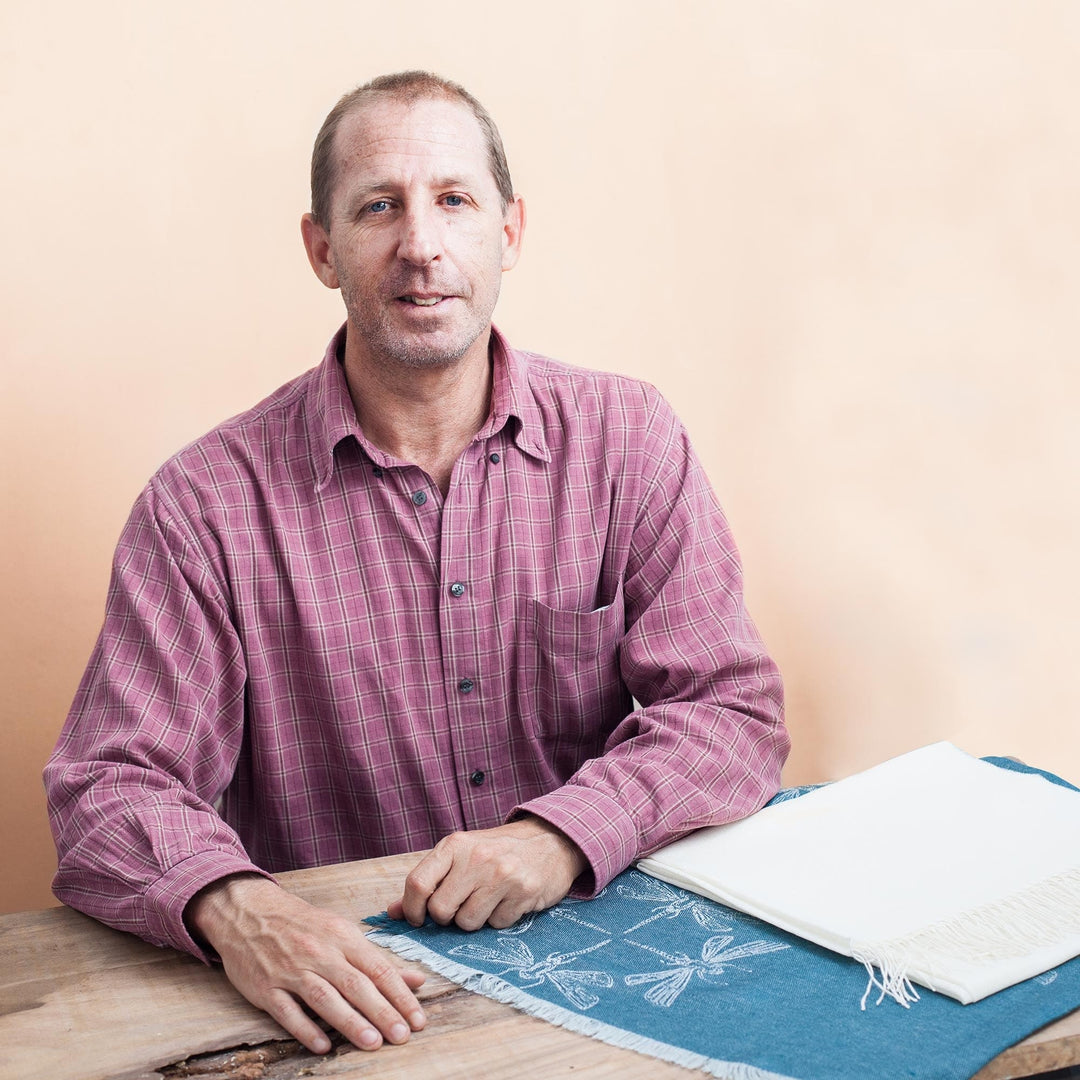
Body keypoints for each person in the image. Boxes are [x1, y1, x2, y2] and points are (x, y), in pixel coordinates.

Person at [44, 71, 788, 1056]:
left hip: (628, 976)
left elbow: (729, 714)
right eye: (378, 206)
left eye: (453, 200)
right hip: (357, 1007)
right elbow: (109, 782)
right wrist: (235, 911)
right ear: (322, 249)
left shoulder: (630, 441)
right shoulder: (203, 505)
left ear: (510, 232)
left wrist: (561, 835)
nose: (422, 245)